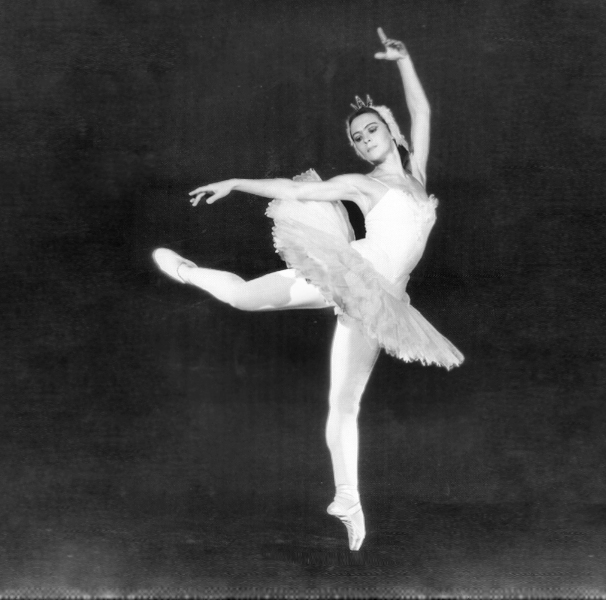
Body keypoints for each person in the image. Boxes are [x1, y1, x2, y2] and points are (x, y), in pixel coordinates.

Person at [151, 28, 462, 552]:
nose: (365, 140)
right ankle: (186, 271)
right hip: (352, 272)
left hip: (381, 301)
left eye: (371, 130)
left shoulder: (417, 176)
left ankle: (349, 500)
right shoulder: (364, 185)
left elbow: (423, 111)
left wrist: (404, 61)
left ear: (391, 130)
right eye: (357, 138)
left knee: (345, 402)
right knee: (244, 298)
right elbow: (293, 191)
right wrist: (236, 183)